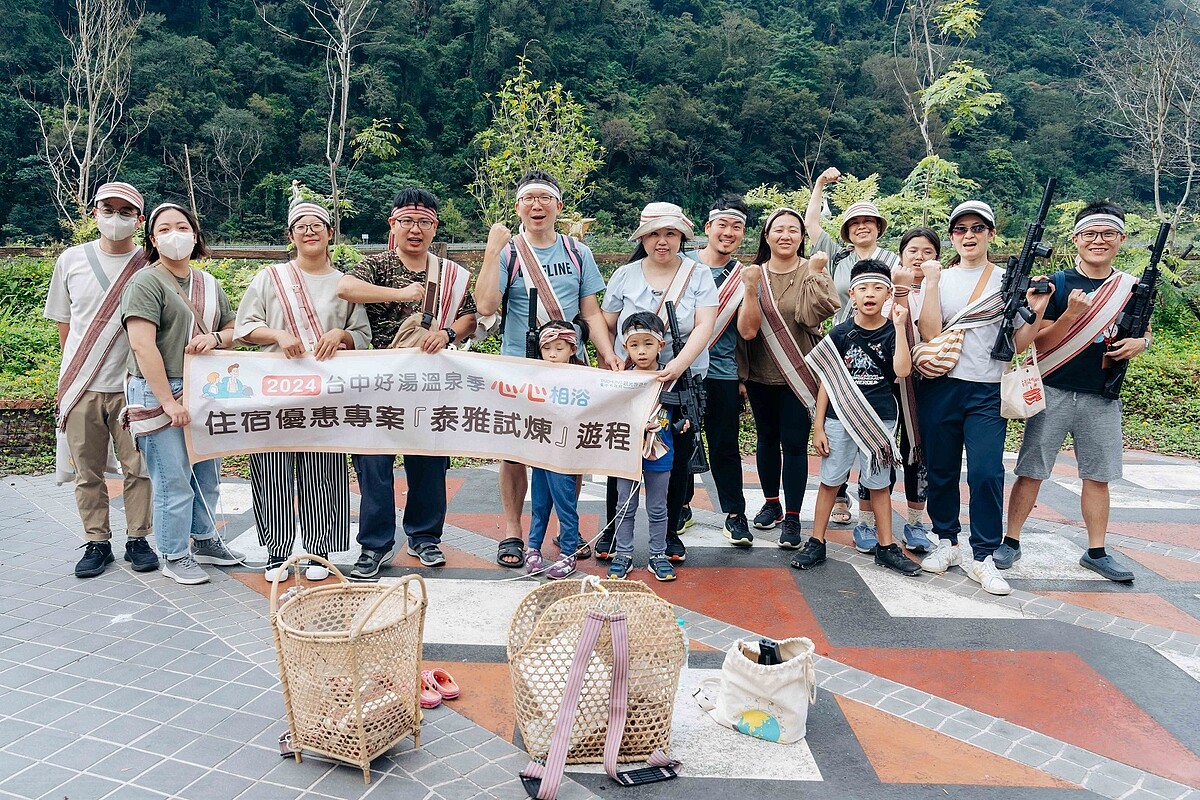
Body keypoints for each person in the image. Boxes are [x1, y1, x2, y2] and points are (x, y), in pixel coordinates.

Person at [473, 170, 620, 568]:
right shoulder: (508, 253)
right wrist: (491, 250)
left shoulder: (577, 252)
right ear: (518, 206)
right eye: (528, 199)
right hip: (520, 369)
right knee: (514, 451)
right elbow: (485, 305)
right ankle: (513, 531)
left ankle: (566, 529)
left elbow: (590, 311)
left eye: (544, 198)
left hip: (569, 368)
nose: (536, 205)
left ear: (558, 205)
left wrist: (607, 354)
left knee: (570, 449)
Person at [336, 187, 477, 578]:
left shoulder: (448, 274)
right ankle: (375, 545)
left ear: (435, 227)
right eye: (407, 221)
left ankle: (424, 537)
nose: (415, 230)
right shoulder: (376, 264)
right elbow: (345, 288)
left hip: (429, 384)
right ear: (393, 224)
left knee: (429, 462)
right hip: (378, 383)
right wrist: (399, 293)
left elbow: (470, 316)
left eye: (424, 222)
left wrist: (447, 333)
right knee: (373, 465)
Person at [1003, 201, 1146, 582]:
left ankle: (1096, 551)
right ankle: (1011, 541)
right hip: (1052, 388)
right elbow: (1040, 342)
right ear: (1076, 239)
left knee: (1098, 475)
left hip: (1102, 394)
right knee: (1031, 470)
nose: (1099, 241)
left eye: (1108, 233)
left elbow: (1143, 330)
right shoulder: (1058, 283)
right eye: (1090, 234)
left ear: (1121, 239)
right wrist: (1070, 315)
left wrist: (1141, 343)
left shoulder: (1132, 288)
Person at [916, 200, 1052, 595]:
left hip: (988, 389)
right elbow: (930, 333)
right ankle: (946, 540)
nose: (969, 235)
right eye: (961, 229)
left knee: (986, 472)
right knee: (940, 469)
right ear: (952, 236)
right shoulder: (940, 278)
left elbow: (1018, 344)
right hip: (942, 385)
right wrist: (932, 283)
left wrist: (1038, 308)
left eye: (978, 228)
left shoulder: (1009, 280)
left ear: (991, 234)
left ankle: (983, 555)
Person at [234, 201, 371, 581]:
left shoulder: (344, 283)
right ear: (290, 235)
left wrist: (341, 334)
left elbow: (362, 335)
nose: (309, 232)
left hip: (325, 394)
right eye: (301, 226)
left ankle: (318, 551)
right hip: (274, 390)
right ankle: (276, 552)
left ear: (330, 233)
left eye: (317, 225)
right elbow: (245, 327)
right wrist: (277, 334)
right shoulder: (270, 278)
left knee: (323, 470)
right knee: (271, 468)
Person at [121, 203, 245, 585]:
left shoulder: (208, 284)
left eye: (182, 227)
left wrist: (217, 338)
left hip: (202, 388)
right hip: (160, 390)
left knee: (207, 474)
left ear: (195, 235)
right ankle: (173, 554)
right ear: (152, 239)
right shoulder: (145, 282)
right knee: (173, 479)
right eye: (164, 229)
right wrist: (168, 401)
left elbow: (234, 329)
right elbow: (142, 345)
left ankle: (204, 539)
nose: (174, 235)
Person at [44, 181, 156, 578]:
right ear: (94, 213)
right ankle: (97, 542)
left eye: (125, 212)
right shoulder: (71, 260)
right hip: (82, 386)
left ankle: (138, 538)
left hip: (133, 385)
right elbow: (65, 325)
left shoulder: (149, 265)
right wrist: (77, 373)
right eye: (108, 209)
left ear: (139, 219)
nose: (115, 218)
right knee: (86, 471)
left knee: (139, 468)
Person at [598, 202, 718, 566]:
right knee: (621, 452)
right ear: (642, 238)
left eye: (670, 234)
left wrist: (678, 365)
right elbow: (605, 323)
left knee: (675, 457)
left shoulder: (698, 274)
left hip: (682, 381)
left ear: (682, 237)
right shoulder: (625, 275)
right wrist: (610, 357)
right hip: (632, 383)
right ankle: (612, 530)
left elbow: (705, 324)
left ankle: (668, 534)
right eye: (653, 234)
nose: (661, 241)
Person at [792, 260, 921, 575]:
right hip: (839, 419)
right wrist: (818, 426)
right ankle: (816, 541)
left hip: (879, 419)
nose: (870, 294)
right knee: (830, 481)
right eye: (863, 288)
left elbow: (903, 370)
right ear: (852, 294)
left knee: (879, 484)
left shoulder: (892, 331)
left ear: (888, 293)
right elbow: (826, 381)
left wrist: (900, 327)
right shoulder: (840, 333)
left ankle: (886, 546)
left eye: (877, 288)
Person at [736, 207, 839, 547]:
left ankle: (793, 516)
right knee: (766, 440)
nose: (785, 235)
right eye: (778, 229)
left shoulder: (813, 268)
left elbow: (817, 314)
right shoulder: (752, 273)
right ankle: (771, 503)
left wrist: (818, 275)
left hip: (800, 374)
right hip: (760, 373)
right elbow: (744, 330)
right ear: (766, 236)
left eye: (793, 229)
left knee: (794, 446)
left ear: (802, 236)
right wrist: (741, 375)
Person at [806, 167, 900, 528]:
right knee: (838, 435)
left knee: (875, 439)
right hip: (844, 342)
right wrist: (819, 185)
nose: (862, 227)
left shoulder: (892, 260)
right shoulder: (839, 257)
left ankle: (872, 522)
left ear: (878, 227)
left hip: (884, 346)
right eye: (855, 222)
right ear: (847, 230)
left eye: (868, 221)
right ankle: (838, 502)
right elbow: (812, 225)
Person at [679, 197, 753, 545]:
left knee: (725, 445)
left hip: (722, 372)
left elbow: (748, 332)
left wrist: (751, 288)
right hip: (682, 368)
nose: (728, 232)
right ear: (708, 227)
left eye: (736, 227)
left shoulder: (742, 276)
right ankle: (680, 505)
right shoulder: (683, 266)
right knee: (680, 440)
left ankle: (735, 513)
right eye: (722, 224)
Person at [868, 227, 942, 553]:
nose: (919, 257)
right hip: (884, 385)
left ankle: (915, 523)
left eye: (928, 252)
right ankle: (868, 521)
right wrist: (898, 290)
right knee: (877, 448)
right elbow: (878, 329)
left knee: (916, 451)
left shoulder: (939, 288)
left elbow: (933, 331)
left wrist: (928, 285)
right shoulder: (883, 288)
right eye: (913, 250)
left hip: (924, 384)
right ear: (900, 254)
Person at [607, 313, 689, 581]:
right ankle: (623, 554)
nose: (641, 351)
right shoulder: (620, 379)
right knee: (624, 506)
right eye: (634, 345)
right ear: (625, 347)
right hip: (625, 453)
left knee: (658, 507)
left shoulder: (671, 377)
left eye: (648, 344)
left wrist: (683, 423)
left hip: (661, 453)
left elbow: (682, 412)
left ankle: (658, 554)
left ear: (661, 345)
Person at [524, 320, 585, 580]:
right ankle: (533, 546)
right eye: (547, 348)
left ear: (572, 349)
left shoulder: (584, 377)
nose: (552, 354)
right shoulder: (534, 376)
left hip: (565, 452)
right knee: (539, 502)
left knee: (565, 503)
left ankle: (569, 552)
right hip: (541, 448)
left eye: (559, 348)